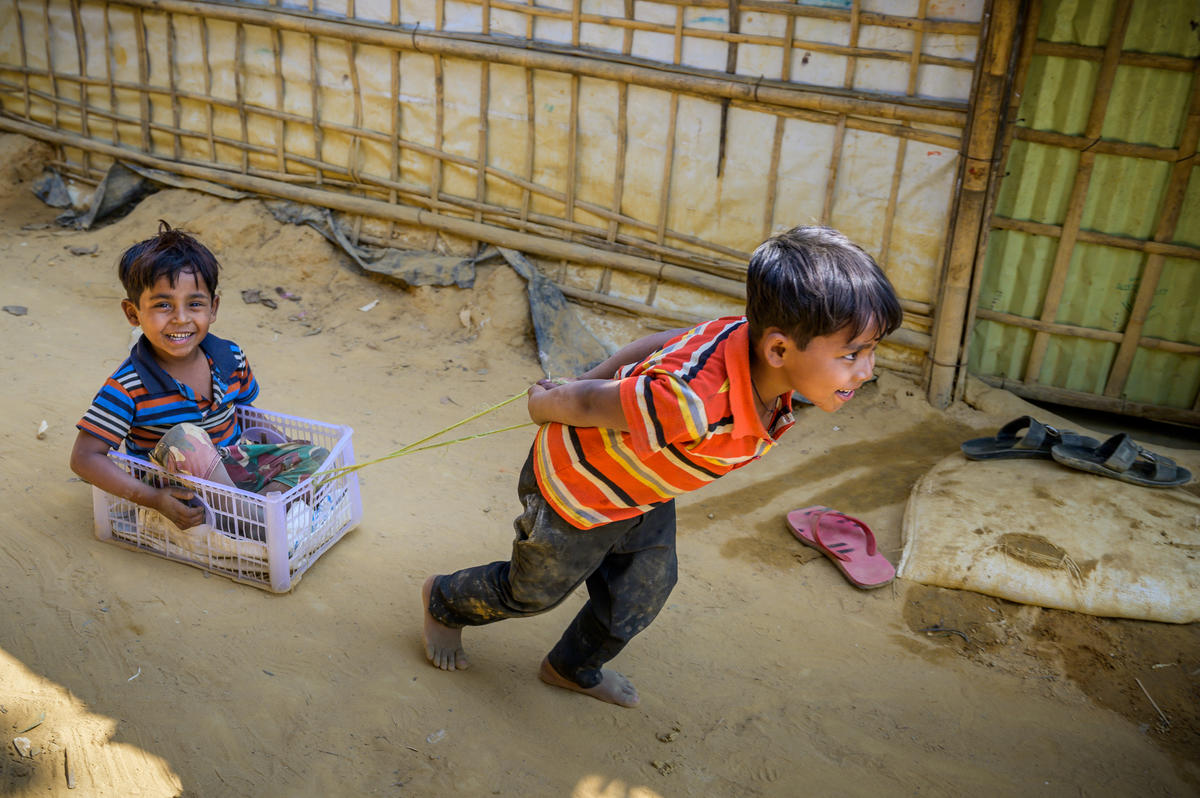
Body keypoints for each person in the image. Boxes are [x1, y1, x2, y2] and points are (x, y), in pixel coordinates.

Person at [421, 225, 903, 707]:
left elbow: (661, 343)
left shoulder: (744, 339)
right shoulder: (689, 402)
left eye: (870, 350)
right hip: (580, 490)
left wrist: (590, 383)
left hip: (642, 490)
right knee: (533, 591)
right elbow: (592, 403)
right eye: (851, 354)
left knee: (641, 592)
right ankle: (444, 601)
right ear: (778, 349)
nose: (867, 369)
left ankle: (571, 665)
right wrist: (549, 403)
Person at [70, 220, 328, 537]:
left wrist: (281, 446)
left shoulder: (231, 357)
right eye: (163, 305)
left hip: (232, 469)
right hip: (177, 490)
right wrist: (151, 498)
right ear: (133, 314)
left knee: (315, 455)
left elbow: (246, 416)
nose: (181, 318)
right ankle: (265, 528)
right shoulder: (128, 386)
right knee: (185, 437)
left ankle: (254, 515)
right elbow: (84, 458)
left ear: (213, 307)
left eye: (194, 304)